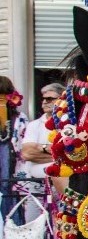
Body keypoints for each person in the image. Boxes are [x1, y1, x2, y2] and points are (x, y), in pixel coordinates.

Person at [18, 83, 64, 219]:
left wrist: (39, 147)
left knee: (60, 228)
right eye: (44, 98)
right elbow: (27, 153)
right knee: (32, 227)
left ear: (61, 100)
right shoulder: (34, 125)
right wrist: (53, 151)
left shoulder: (68, 125)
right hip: (35, 185)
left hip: (60, 186)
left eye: (50, 99)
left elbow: (70, 155)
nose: (45, 102)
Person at [0, 77, 28, 225]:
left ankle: (11, 227)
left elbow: (22, 146)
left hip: (12, 167)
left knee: (7, 190)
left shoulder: (19, 119)